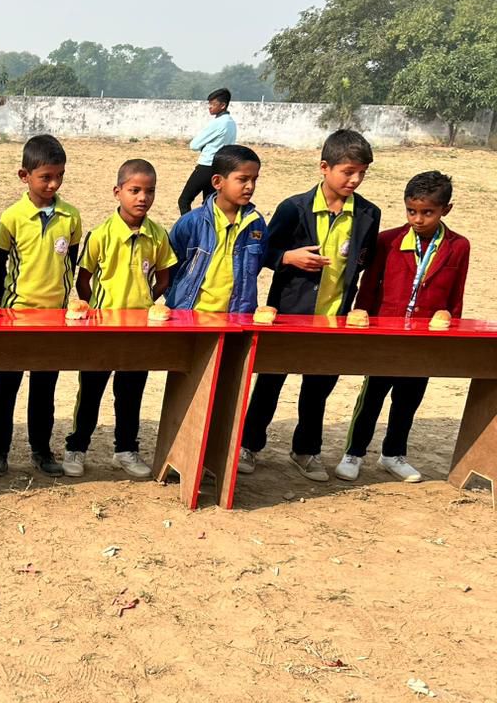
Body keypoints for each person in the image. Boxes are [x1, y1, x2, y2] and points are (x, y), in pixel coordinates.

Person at [239, 129, 381, 482]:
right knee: (270, 382)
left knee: (318, 389)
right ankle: (248, 444)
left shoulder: (368, 214)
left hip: (334, 318)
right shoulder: (294, 208)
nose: (355, 180)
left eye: (361, 173)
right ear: (324, 167)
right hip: (287, 314)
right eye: (348, 172)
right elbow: (263, 253)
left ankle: (306, 450)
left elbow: (364, 262)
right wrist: (288, 257)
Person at [335, 171, 468, 483]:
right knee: (372, 396)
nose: (418, 219)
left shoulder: (459, 246)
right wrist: (363, 321)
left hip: (426, 338)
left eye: (427, 212)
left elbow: (456, 295)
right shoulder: (388, 240)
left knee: (409, 399)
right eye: (411, 211)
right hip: (386, 335)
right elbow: (369, 286)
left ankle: (393, 454)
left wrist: (450, 331)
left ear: (446, 209)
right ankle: (353, 452)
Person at [64, 159, 176, 479]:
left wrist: (146, 302)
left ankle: (125, 449)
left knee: (131, 392)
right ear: (118, 192)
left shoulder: (157, 235)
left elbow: (164, 278)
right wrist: (96, 309)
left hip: (139, 332)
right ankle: (77, 447)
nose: (143, 198)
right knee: (91, 391)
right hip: (102, 329)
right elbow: (84, 278)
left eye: (149, 191)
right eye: (134, 190)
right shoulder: (101, 234)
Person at [0, 133, 82, 477]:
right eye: (45, 177)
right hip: (16, 317)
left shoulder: (71, 217)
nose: (53, 184)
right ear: (24, 176)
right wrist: (7, 303)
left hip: (54, 318)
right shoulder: (11, 217)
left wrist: (61, 304)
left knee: (45, 387)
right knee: (7, 385)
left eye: (59, 176)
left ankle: (41, 450)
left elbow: (71, 262)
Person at [167, 144, 266, 316]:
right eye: (243, 179)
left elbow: (256, 265)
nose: (250, 186)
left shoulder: (256, 224)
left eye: (254, 179)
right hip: (192, 319)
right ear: (217, 182)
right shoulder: (191, 223)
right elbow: (170, 270)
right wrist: (180, 305)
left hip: (237, 319)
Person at [178, 88, 237, 215]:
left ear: (223, 105)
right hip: (220, 168)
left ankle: (189, 225)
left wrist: (203, 147)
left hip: (206, 166)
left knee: (184, 201)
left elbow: (194, 145)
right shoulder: (231, 123)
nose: (210, 107)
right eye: (209, 104)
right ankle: (209, 226)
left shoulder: (217, 123)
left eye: (213, 104)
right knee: (209, 204)